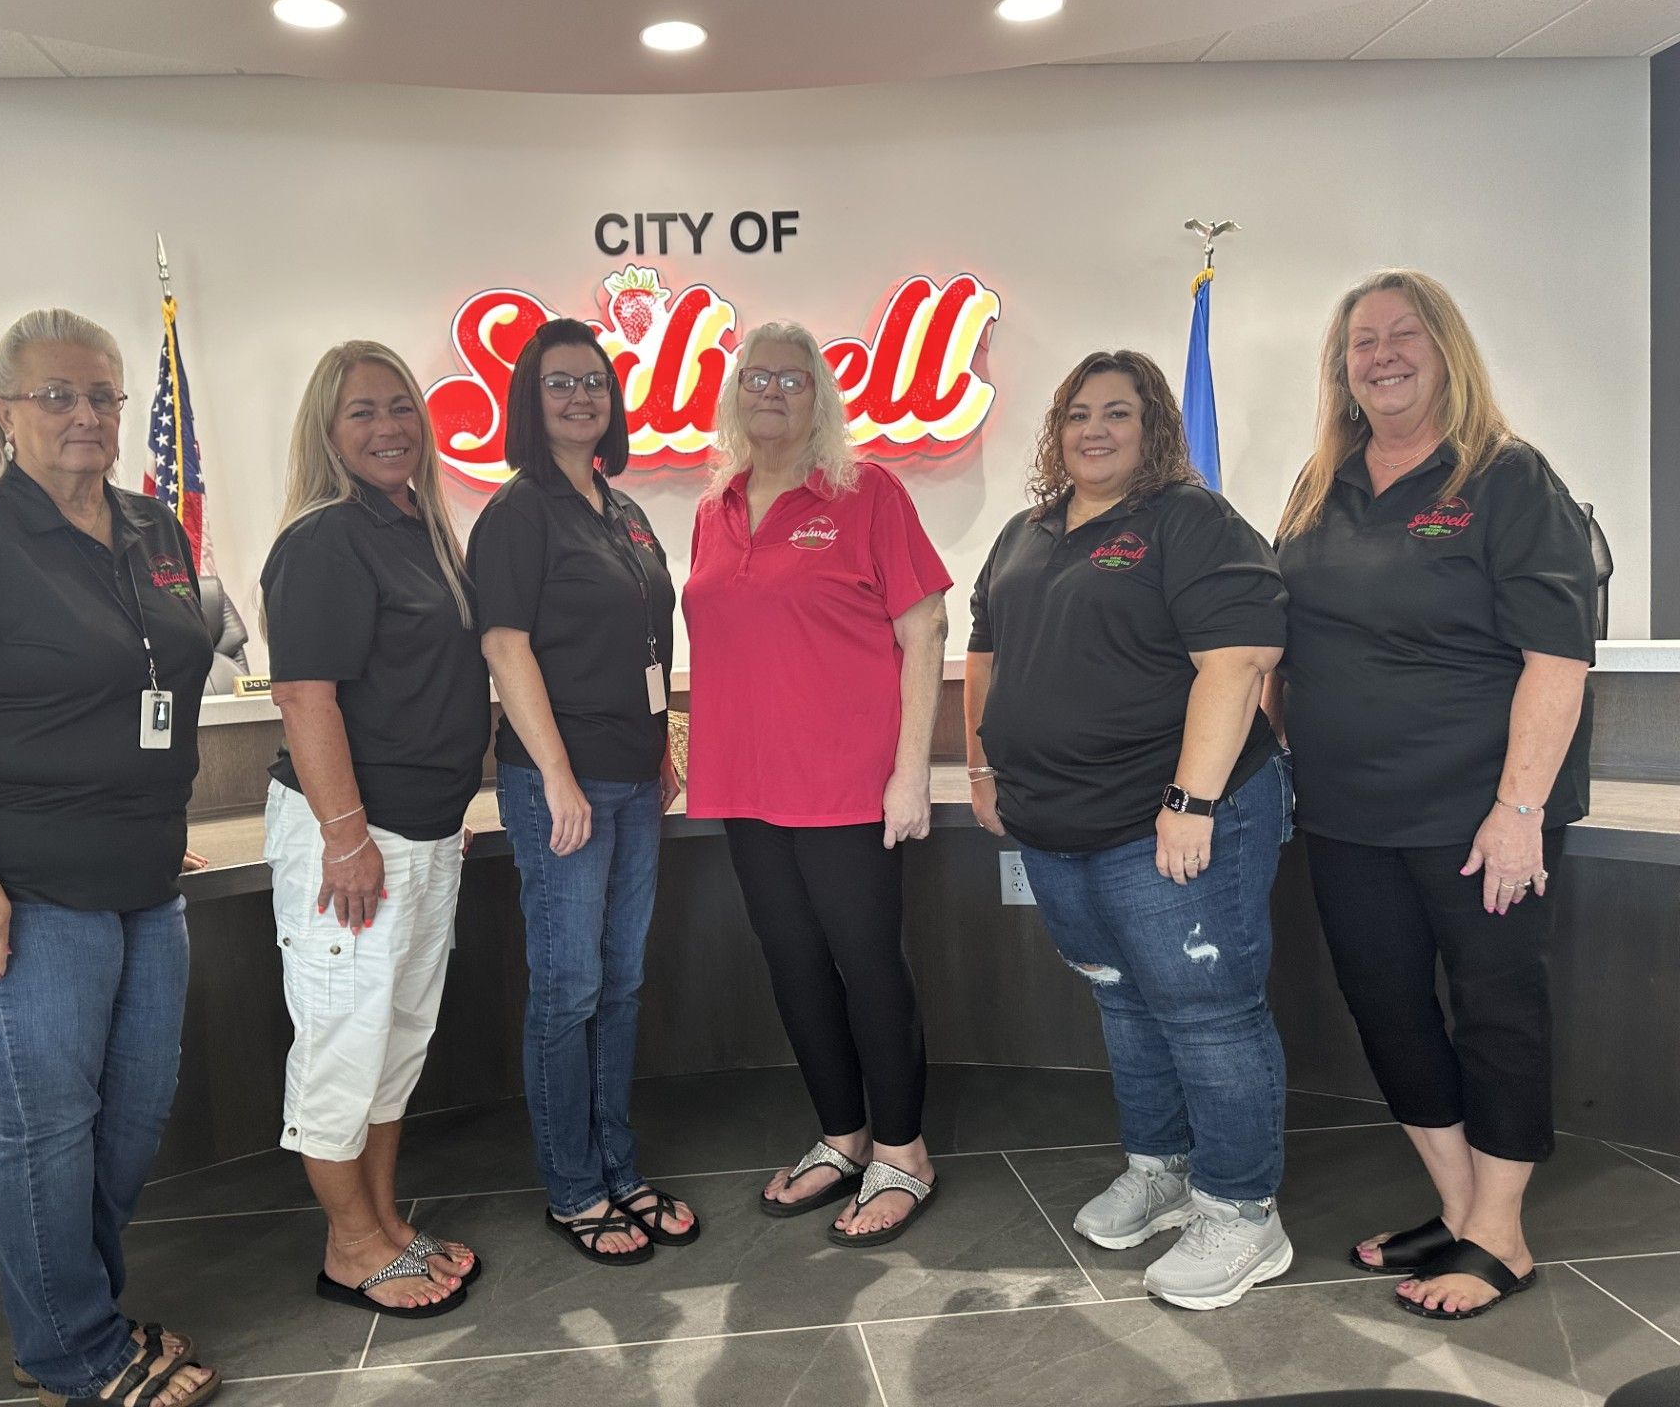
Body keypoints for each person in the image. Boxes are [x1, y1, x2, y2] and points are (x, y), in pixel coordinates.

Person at [0, 309, 220, 1406]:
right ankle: (70, 1352)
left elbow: (155, 685)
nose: (85, 415)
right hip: (19, 883)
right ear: (4, 411)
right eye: (56, 395)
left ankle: (88, 1313)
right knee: (48, 1126)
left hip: (139, 873)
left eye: (102, 396)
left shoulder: (152, 526)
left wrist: (154, 815)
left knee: (133, 1109)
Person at [1272, 268, 1595, 1321]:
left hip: (1474, 815)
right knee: (1389, 1009)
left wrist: (1519, 811)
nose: (1382, 354)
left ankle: (1503, 1232)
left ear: (1446, 350)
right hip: (1344, 813)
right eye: (1362, 340)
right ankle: (1460, 1209)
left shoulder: (1507, 477)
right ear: (1342, 367)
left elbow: (1557, 657)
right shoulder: (1321, 483)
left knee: (1498, 1011)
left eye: (1404, 334)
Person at [965, 349, 1293, 1310]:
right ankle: (1164, 1168)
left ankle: (1241, 1212)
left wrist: (1191, 802)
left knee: (1209, 1012)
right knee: (1123, 997)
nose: (1093, 430)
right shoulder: (1028, 532)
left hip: (1175, 820)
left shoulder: (1191, 521)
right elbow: (984, 649)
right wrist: (985, 764)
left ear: (1153, 429)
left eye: (1118, 413)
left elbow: (1237, 663)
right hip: (1056, 823)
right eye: (1077, 414)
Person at [683, 322, 950, 1246]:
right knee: (793, 962)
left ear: (819, 398)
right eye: (755, 376)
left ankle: (904, 1153)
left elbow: (925, 634)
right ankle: (843, 1136)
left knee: (868, 966)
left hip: (847, 784)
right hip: (744, 783)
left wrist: (910, 772)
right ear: (733, 394)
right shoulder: (713, 503)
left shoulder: (867, 492)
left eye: (792, 379)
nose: (772, 392)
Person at [261, 341, 490, 1319]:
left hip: (424, 832)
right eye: (361, 412)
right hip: (353, 837)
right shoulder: (324, 539)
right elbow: (305, 697)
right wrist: (348, 837)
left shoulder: (420, 527)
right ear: (327, 431)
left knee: (396, 1040)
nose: (388, 425)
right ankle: (350, 1246)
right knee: (343, 1043)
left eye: (401, 406)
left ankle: (384, 1222)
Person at [468, 318, 699, 1263]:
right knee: (568, 990)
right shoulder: (517, 513)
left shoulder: (622, 506)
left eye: (595, 382)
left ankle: (619, 1166)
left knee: (623, 982)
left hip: (634, 778)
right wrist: (558, 775)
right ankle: (573, 1185)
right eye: (560, 383)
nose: (581, 397)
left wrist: (665, 740)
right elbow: (504, 646)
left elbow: (649, 638)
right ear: (531, 398)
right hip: (558, 786)